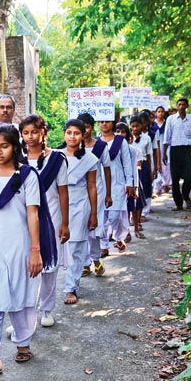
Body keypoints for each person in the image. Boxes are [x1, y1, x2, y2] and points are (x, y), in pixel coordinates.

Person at [0, 124, 57, 378]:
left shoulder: (28, 176)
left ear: (15, 147)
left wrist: (35, 250)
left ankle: (23, 343)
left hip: (21, 246)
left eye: (4, 146)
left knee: (22, 297)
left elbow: (33, 214)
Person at [19, 114, 70, 327]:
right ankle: (23, 314)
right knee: (24, 268)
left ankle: (47, 310)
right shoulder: (16, 159)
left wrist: (65, 223)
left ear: (43, 133)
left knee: (49, 267)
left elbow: (63, 193)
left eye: (34, 132)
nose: (30, 137)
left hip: (52, 218)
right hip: (23, 219)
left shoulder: (57, 159)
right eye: (26, 133)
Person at [58, 119, 98, 304]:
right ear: (64, 134)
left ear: (83, 136)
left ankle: (71, 288)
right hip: (58, 204)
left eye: (76, 133)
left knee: (77, 247)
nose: (72, 136)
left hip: (80, 203)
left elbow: (92, 186)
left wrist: (94, 213)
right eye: (69, 132)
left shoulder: (89, 159)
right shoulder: (55, 156)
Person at [78, 113, 112, 276]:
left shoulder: (100, 147)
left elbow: (106, 169)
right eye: (81, 127)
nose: (84, 130)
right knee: (80, 228)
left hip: (97, 191)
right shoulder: (72, 147)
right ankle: (84, 263)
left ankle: (96, 259)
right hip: (78, 193)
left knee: (94, 228)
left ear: (92, 127)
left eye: (87, 126)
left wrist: (108, 194)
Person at [97, 119, 134, 253]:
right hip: (99, 183)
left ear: (112, 123)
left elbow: (127, 163)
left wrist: (130, 183)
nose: (104, 124)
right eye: (101, 121)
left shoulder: (120, 141)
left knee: (115, 215)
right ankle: (104, 245)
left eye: (107, 121)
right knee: (101, 216)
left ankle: (118, 236)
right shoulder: (96, 142)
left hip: (117, 183)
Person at [163, 97, 191, 211]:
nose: (181, 106)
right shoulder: (171, 119)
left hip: (187, 150)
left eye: (183, 104)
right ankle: (178, 203)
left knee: (190, 176)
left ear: (187, 106)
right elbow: (167, 137)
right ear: (177, 106)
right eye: (179, 104)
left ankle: (185, 195)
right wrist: (164, 153)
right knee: (175, 179)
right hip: (174, 150)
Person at [151, 106, 170, 195]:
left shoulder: (167, 123)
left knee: (166, 166)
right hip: (156, 146)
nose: (160, 113)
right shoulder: (153, 124)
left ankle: (166, 183)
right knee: (156, 165)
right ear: (156, 113)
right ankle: (157, 187)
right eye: (159, 111)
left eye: (162, 111)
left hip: (166, 146)